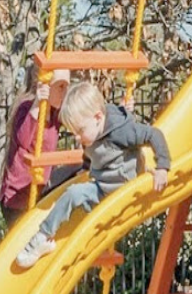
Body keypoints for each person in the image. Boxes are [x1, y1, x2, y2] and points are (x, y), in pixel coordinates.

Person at [15, 81, 171, 268]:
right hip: (102, 189)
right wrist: (85, 168)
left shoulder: (122, 131)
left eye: (80, 131)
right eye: (74, 132)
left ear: (98, 117)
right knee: (72, 193)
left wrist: (162, 167)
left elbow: (154, 135)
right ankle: (42, 236)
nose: (78, 138)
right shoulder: (89, 134)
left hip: (126, 191)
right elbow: (91, 156)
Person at [0, 62, 72, 228]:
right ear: (44, 86)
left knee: (78, 169)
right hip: (18, 198)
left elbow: (79, 118)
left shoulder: (55, 113)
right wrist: (37, 104)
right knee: (22, 244)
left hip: (40, 190)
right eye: (61, 86)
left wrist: (123, 109)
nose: (65, 92)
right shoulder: (26, 108)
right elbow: (23, 140)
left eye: (68, 86)